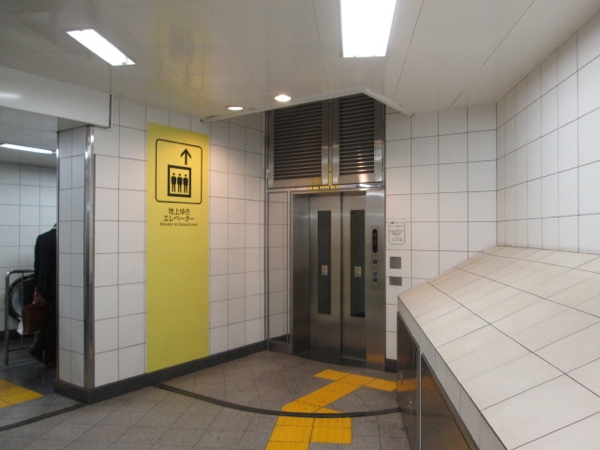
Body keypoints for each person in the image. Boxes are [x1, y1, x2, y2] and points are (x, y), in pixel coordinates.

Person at [29, 225, 57, 366]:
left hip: (45, 285)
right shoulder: (62, 239)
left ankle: (41, 349)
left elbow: (37, 265)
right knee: (55, 321)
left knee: (52, 319)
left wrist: (37, 288)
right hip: (58, 286)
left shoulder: (42, 238)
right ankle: (49, 356)